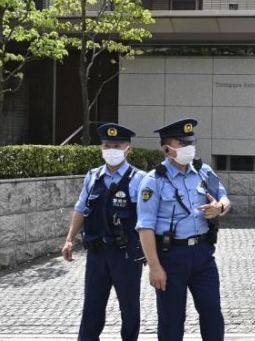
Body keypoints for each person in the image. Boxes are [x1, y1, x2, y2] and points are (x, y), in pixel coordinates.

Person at [136, 118, 230, 341]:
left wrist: (220, 208)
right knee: (171, 321)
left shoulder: (203, 171)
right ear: (166, 148)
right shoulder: (154, 181)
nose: (189, 148)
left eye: (191, 142)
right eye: (182, 143)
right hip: (170, 257)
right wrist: (155, 267)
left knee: (212, 312)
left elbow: (224, 198)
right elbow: (145, 227)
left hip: (203, 254)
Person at [61, 123, 147, 341]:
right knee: (92, 306)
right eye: (107, 145)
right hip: (97, 253)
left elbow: (147, 219)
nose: (112, 150)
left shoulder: (139, 179)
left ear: (129, 148)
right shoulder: (93, 177)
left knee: (129, 308)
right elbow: (81, 208)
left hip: (126, 254)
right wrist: (69, 239)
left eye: (117, 145)